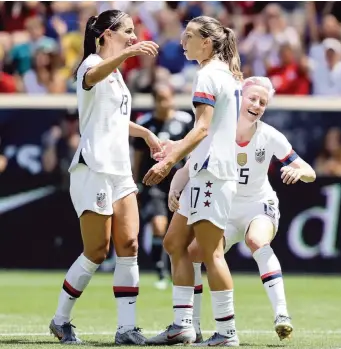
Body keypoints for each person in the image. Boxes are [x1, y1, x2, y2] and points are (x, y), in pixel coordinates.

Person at [167, 76, 316, 342]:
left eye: (263, 102)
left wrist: (298, 173)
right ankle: (194, 328)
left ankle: (282, 314)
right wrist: (175, 189)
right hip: (224, 208)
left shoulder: (269, 135)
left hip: (257, 205)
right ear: (239, 99)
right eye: (253, 98)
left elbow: (309, 171)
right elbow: (189, 168)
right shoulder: (214, 132)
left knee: (256, 239)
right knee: (194, 254)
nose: (257, 105)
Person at [48, 9, 161, 345]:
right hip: (93, 168)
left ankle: (126, 329)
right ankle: (60, 320)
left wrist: (146, 134)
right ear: (107, 34)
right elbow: (92, 75)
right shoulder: (91, 64)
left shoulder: (118, 76)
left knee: (129, 245)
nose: (133, 36)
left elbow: (113, 119)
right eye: (127, 31)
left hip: (119, 170)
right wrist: (127, 53)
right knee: (96, 251)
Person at [142, 16, 243, 346]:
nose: (182, 42)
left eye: (189, 37)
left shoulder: (208, 75)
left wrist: (171, 161)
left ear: (207, 43)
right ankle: (183, 325)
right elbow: (207, 133)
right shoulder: (223, 74)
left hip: (213, 175)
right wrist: (183, 170)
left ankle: (227, 331)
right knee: (173, 244)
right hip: (204, 171)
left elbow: (201, 129)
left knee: (211, 253)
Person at [133, 83, 193, 290]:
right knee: (159, 226)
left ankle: (182, 270)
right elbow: (138, 157)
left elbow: (194, 150)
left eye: (167, 98)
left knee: (181, 231)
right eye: (159, 99)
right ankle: (161, 271)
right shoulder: (145, 124)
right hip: (154, 183)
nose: (164, 103)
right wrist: (136, 184)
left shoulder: (185, 121)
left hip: (180, 182)